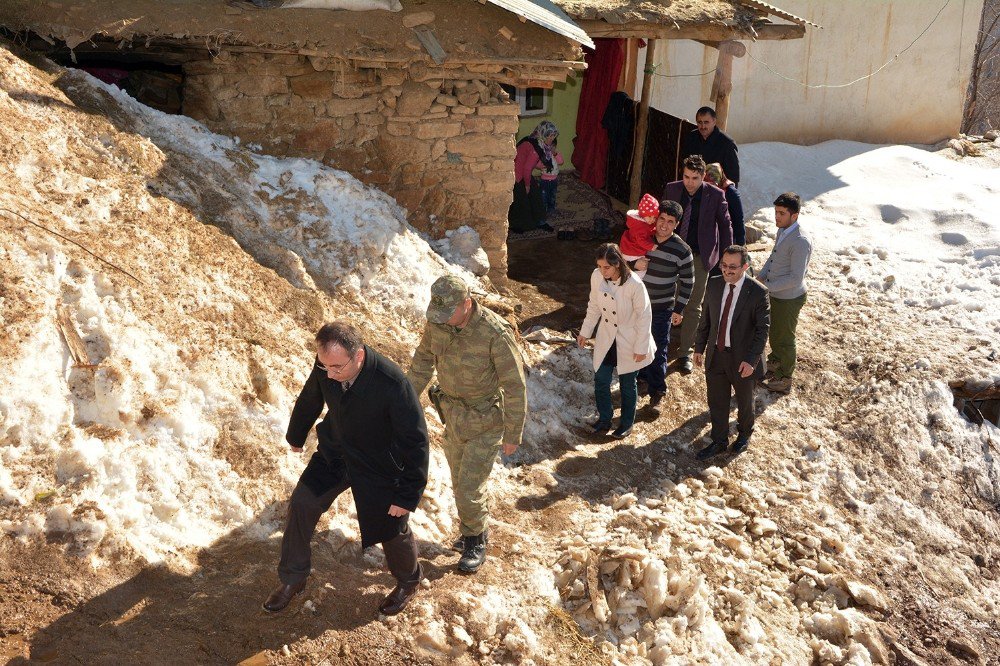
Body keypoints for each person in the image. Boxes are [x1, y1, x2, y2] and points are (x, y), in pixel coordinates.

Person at [264, 322, 429, 616]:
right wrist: (296, 435)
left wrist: (406, 495)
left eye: (337, 367)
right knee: (302, 503)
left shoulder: (392, 383)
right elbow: (311, 397)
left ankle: (408, 581)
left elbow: (415, 442)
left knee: (391, 524)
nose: (329, 374)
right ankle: (293, 578)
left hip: (378, 462)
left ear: (359, 357)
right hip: (336, 452)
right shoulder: (328, 364)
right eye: (324, 366)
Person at [407, 276, 527, 574]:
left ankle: (475, 542)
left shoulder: (493, 332)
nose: (443, 320)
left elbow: (515, 385)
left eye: (449, 314)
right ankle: (476, 528)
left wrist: (513, 433)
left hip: (485, 420)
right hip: (453, 415)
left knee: (470, 486)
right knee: (460, 479)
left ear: (467, 304)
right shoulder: (438, 322)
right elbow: (423, 360)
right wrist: (404, 401)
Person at [693, 246, 770, 459]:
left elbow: (762, 331)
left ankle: (744, 434)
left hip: (743, 360)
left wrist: (751, 360)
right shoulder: (714, 284)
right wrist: (699, 347)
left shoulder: (757, 292)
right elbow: (705, 319)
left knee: (745, 402)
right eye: (724, 265)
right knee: (717, 401)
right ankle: (719, 440)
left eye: (733, 267)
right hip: (716, 355)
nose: (727, 271)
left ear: (745, 266)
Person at [663, 155, 733, 374]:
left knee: (693, 305)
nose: (689, 182)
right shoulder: (672, 189)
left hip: (699, 256)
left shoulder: (716, 195)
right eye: (686, 176)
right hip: (671, 253)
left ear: (704, 176)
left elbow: (725, 226)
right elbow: (660, 218)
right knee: (666, 298)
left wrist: (727, 258)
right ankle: (660, 346)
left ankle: (684, 353)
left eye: (695, 177)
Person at [577, 243, 655, 439]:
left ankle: (627, 423)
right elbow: (594, 305)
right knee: (601, 379)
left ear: (618, 264)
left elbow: (645, 317)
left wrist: (641, 347)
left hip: (630, 339)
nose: (602, 271)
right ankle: (605, 419)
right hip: (606, 337)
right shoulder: (596, 276)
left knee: (627, 384)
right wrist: (585, 331)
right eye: (600, 266)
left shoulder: (635, 284)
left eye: (607, 267)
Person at [637, 200, 694, 410]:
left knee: (659, 349)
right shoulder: (642, 238)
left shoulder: (682, 250)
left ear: (677, 224)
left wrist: (679, 308)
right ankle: (641, 379)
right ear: (656, 218)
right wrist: (634, 264)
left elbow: (688, 281)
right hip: (638, 306)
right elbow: (623, 262)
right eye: (662, 219)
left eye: (670, 222)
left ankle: (657, 392)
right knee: (637, 344)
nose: (664, 225)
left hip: (662, 308)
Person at [757, 192, 812, 394]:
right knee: (775, 332)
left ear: (794, 216)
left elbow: (795, 278)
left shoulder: (800, 241)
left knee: (785, 338)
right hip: (776, 294)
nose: (776, 217)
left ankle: (785, 378)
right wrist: (761, 277)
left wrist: (766, 287)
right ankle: (776, 361)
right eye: (776, 212)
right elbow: (773, 258)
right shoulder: (783, 231)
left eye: (781, 213)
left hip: (789, 299)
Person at [509, 121, 557, 233]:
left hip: (519, 170)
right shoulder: (536, 147)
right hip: (516, 174)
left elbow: (530, 161)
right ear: (544, 134)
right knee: (522, 198)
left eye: (553, 136)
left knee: (535, 195)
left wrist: (540, 166)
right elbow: (527, 168)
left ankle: (540, 221)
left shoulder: (534, 140)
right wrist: (527, 185)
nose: (552, 139)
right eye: (550, 136)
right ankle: (517, 225)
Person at [681, 106, 740, 186]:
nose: (703, 126)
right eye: (700, 122)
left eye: (706, 122)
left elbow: (733, 177)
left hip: (716, 192)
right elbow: (684, 164)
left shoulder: (726, 143)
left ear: (714, 121)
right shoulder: (691, 138)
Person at [619, 192, 660, 274]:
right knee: (640, 272)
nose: (652, 220)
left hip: (629, 250)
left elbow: (649, 229)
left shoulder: (641, 222)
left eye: (654, 217)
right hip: (633, 252)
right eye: (649, 216)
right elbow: (641, 240)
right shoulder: (640, 227)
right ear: (642, 214)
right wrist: (651, 246)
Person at [705, 162, 745, 246]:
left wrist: (741, 244)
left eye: (715, 183)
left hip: (728, 236)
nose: (713, 187)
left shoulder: (731, 192)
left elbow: (738, 219)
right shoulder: (703, 189)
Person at [538, 138, 565, 215]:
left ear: (555, 146)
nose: (550, 148)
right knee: (543, 196)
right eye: (548, 146)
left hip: (554, 180)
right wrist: (540, 166)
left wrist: (556, 154)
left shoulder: (556, 154)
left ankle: (551, 209)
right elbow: (537, 163)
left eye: (552, 146)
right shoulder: (543, 155)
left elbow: (561, 162)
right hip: (544, 180)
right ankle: (543, 210)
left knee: (552, 195)